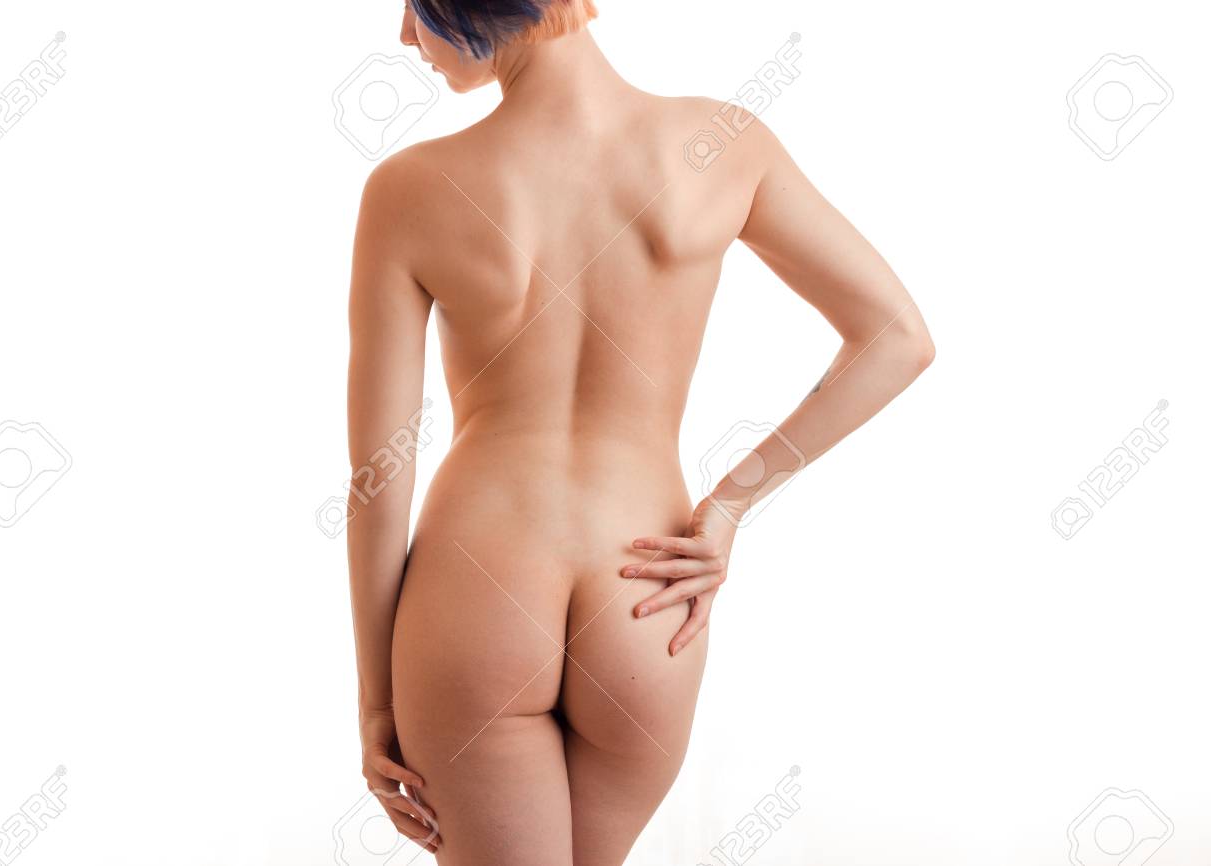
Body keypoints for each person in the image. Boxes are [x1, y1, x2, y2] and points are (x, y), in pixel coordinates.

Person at [346, 2, 935, 863]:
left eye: (414, 6)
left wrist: (376, 698)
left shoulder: (409, 188)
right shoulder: (722, 144)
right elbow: (897, 337)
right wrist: (729, 505)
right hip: (650, 592)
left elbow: (378, 474)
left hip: (478, 591)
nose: (405, 36)